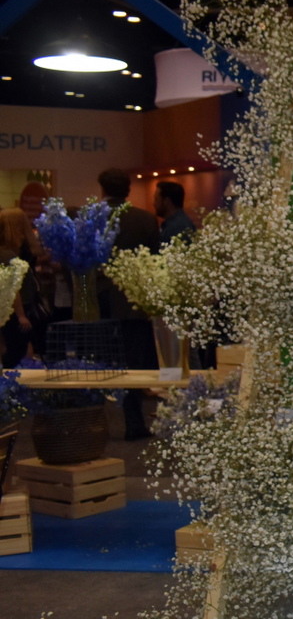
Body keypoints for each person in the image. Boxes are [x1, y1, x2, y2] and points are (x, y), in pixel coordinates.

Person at [100, 168, 160, 440]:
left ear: (102, 189)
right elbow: (156, 261)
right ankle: (134, 422)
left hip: (101, 302)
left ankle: (92, 425)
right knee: (135, 365)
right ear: (128, 189)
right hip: (135, 303)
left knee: (96, 365)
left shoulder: (93, 219)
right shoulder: (145, 219)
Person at [0, 207, 48, 366]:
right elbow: (13, 286)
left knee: (18, 342)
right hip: (20, 301)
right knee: (18, 344)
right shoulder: (14, 252)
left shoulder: (14, 251)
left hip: (19, 301)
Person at [154, 181, 196, 246]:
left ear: (166, 201)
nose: (154, 204)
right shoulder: (177, 223)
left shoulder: (177, 227)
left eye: (156, 199)